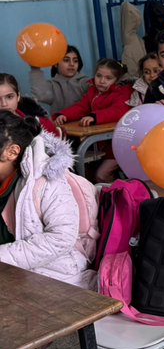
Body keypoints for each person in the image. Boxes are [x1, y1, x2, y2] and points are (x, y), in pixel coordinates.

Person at [0, 112, 98, 290]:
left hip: (53, 277)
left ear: (12, 152)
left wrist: (3, 256)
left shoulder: (47, 181)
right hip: (12, 275)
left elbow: (61, 239)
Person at [53, 59, 133, 183]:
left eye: (108, 78)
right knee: (87, 174)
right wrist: (64, 115)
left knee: (101, 176)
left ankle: (118, 193)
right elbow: (80, 107)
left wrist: (94, 117)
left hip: (117, 146)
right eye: (98, 76)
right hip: (99, 145)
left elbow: (118, 110)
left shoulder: (122, 92)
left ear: (116, 80)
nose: (101, 81)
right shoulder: (92, 91)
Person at [29, 45, 89, 114]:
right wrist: (35, 68)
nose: (72, 64)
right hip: (59, 124)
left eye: (75, 61)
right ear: (56, 63)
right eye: (66, 60)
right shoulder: (52, 85)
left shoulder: (85, 82)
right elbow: (41, 96)